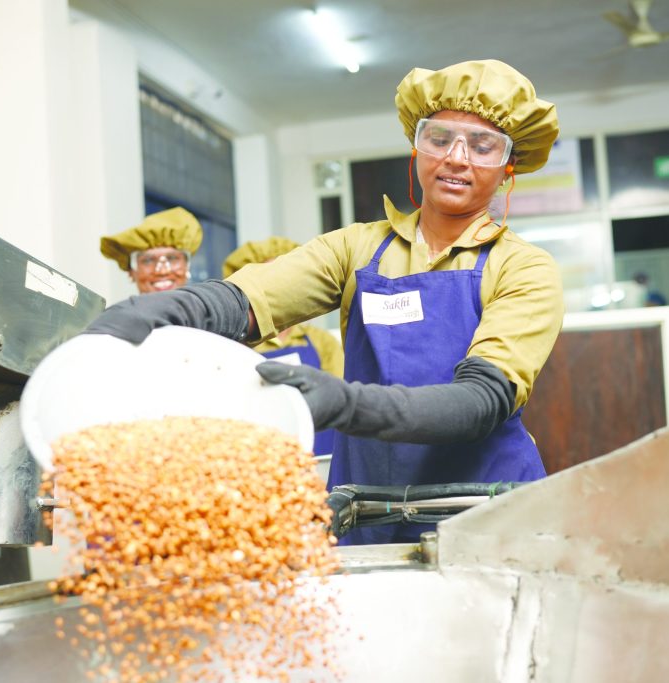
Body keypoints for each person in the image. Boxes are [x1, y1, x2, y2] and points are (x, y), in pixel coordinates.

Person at [86, 60, 564, 545]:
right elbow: (252, 296)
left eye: (482, 146)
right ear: (416, 147)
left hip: (484, 512)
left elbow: (480, 401)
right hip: (368, 510)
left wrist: (343, 403)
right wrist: (159, 312)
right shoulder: (358, 248)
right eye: (439, 138)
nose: (457, 158)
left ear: (509, 164)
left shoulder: (523, 268)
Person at [222, 237, 345, 455]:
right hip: (259, 452)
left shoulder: (322, 342)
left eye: (282, 280)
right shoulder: (234, 347)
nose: (276, 290)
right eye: (266, 283)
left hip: (322, 452)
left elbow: (340, 400)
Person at [100, 206, 202, 293]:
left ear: (187, 266)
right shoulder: (118, 311)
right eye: (148, 261)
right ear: (131, 272)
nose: (162, 271)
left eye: (172, 258)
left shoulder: (208, 310)